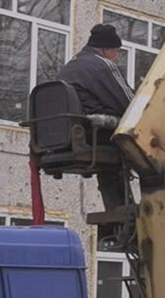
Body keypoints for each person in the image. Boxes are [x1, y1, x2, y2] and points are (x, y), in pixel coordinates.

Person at [56, 23, 135, 217]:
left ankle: (117, 207)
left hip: (72, 135)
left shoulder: (69, 67)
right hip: (97, 134)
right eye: (116, 52)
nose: (116, 57)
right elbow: (131, 106)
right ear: (107, 49)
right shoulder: (103, 65)